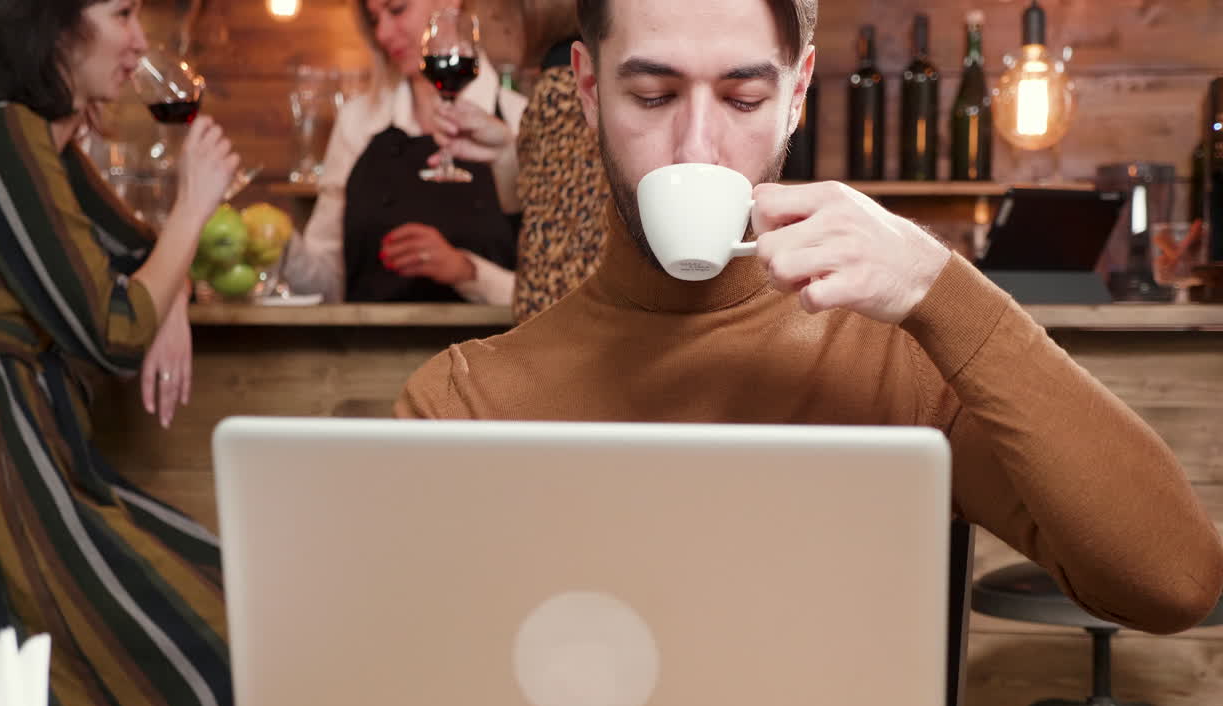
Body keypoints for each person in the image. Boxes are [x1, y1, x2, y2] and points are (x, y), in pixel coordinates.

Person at [398, 0, 1223, 635]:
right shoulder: (470, 400)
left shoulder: (900, 368)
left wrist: (944, 287)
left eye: (744, 97)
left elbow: (1173, 583)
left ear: (797, 96)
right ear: (585, 88)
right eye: (651, 95)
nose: (696, 147)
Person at [0, 0, 239, 706]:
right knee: (209, 631)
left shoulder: (44, 146)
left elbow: (145, 261)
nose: (140, 41)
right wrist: (194, 207)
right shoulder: (2, 133)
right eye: (122, 12)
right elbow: (113, 332)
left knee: (231, 589)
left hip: (40, 447)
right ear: (55, 27)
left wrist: (169, 298)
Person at [285, 0, 527, 304]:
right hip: (369, 348)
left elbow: (552, 293)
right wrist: (281, 247)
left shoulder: (521, 120)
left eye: (397, 9)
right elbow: (327, 281)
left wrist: (467, 271)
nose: (383, 34)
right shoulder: (357, 122)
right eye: (375, 20)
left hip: (488, 349)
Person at [431, 0, 610, 322]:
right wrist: (507, 156)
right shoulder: (584, 83)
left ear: (513, 13)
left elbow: (554, 272)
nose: (478, 23)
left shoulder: (559, 93)